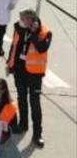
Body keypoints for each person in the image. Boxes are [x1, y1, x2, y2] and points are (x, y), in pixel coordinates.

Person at [7, 9, 52, 147]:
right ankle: (23, 125)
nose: (22, 21)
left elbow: (42, 48)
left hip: (34, 74)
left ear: (32, 20)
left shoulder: (45, 32)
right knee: (22, 98)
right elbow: (14, 47)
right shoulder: (20, 29)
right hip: (20, 70)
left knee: (34, 102)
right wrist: (10, 64)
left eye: (24, 19)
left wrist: (33, 33)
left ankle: (37, 134)